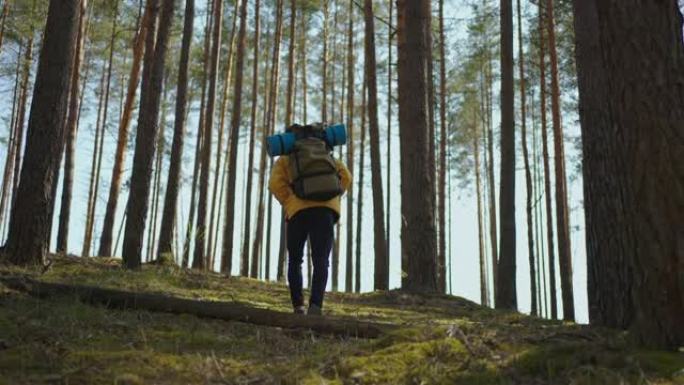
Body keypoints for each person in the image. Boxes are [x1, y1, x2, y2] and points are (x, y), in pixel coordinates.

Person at [269, 124, 352, 315]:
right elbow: (346, 177)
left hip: (298, 211)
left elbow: (275, 184)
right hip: (325, 211)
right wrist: (333, 197)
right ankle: (316, 306)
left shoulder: (287, 157)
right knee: (321, 259)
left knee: (295, 260)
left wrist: (290, 201)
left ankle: (298, 306)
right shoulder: (326, 153)